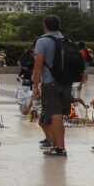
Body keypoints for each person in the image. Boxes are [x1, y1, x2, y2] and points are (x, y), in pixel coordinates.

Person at [32, 15, 71, 157]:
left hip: (50, 82)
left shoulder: (42, 41)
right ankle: (57, 145)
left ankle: (60, 147)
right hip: (66, 82)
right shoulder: (66, 40)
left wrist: (35, 85)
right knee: (59, 115)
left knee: (55, 115)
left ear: (45, 25)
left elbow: (38, 65)